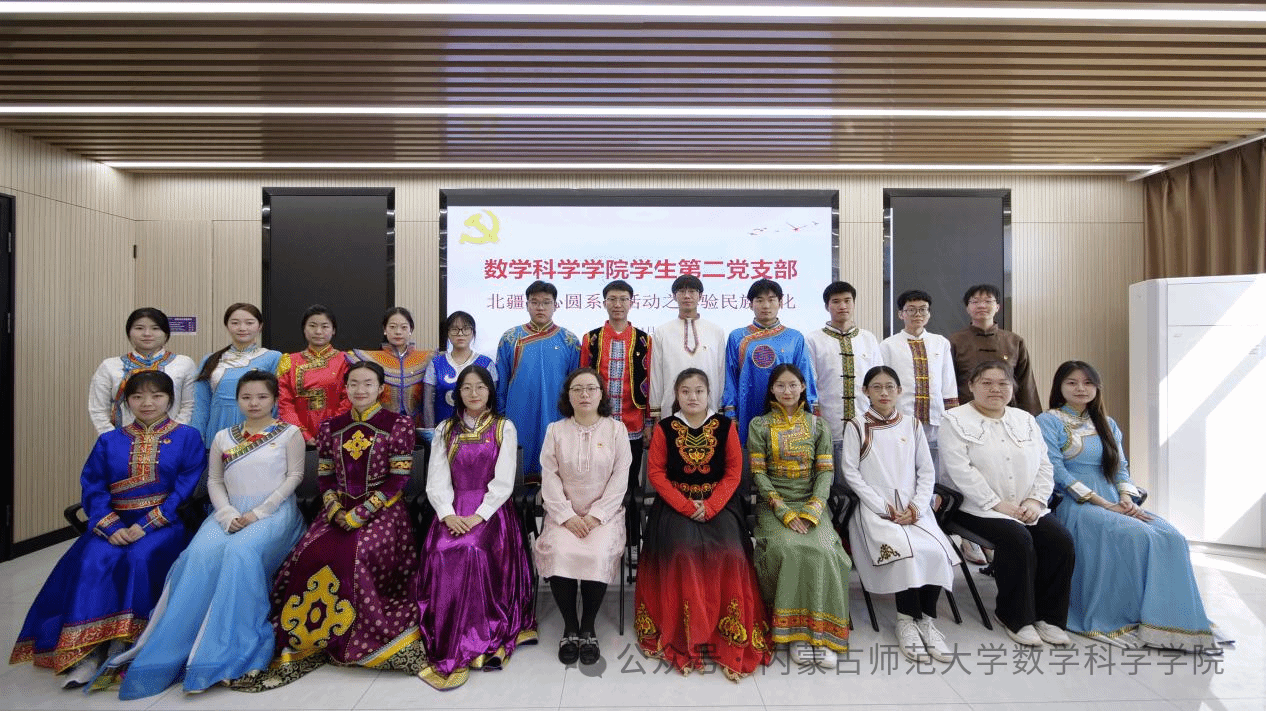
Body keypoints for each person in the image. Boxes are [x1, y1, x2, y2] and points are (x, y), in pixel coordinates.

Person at [102, 371, 306, 698]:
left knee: (240, 554)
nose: (254, 403)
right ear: (236, 400)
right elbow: (215, 481)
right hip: (227, 512)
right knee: (195, 556)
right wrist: (226, 513)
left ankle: (228, 649)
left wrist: (259, 512)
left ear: (274, 400)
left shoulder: (289, 433)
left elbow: (294, 476)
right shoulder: (224, 436)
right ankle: (174, 648)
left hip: (275, 511)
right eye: (246, 397)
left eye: (262, 397)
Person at [11, 371, 204, 687]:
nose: (147, 403)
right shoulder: (109, 440)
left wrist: (146, 525)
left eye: (156, 396)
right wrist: (110, 525)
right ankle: (87, 652)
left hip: (162, 523)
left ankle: (124, 643)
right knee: (93, 561)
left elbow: (184, 489)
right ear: (127, 401)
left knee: (140, 558)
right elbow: (93, 487)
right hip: (113, 523)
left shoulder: (188, 437)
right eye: (138, 397)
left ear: (170, 399)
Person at [243, 361, 423, 688]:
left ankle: (355, 632)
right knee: (308, 554)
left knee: (356, 555)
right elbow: (325, 476)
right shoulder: (331, 426)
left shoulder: (398, 424)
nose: (360, 390)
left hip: (384, 510)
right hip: (337, 508)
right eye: (354, 384)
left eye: (368, 384)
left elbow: (398, 480)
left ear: (381, 388)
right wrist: (334, 507)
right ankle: (308, 636)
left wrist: (362, 513)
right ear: (345, 387)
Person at [1037, 361, 1215, 652]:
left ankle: (1164, 621)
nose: (1081, 388)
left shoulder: (1108, 423)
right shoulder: (1048, 421)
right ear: (1059, 387)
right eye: (1072, 382)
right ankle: (1118, 615)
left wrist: (1127, 500)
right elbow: (1056, 471)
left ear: (1097, 388)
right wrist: (1104, 504)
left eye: (1088, 383)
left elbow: (1120, 468)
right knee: (1136, 535)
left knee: (1172, 537)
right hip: (1074, 502)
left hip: (1114, 499)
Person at [634, 368, 772, 680]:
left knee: (731, 554)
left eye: (699, 391)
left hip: (719, 503)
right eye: (685, 391)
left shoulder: (725, 426)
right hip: (674, 504)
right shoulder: (665, 428)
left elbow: (733, 472)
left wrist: (710, 506)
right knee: (681, 553)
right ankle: (688, 634)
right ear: (676, 395)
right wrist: (685, 505)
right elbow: (656, 473)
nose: (692, 397)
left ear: (709, 394)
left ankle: (727, 633)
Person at [415, 365, 537, 690]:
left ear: (489, 391)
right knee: (441, 550)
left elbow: (504, 481)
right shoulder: (445, 429)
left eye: (480, 387)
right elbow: (436, 478)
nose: (473, 393)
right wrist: (446, 513)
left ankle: (476, 632)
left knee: (470, 549)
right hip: (453, 506)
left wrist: (479, 515)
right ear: (457, 393)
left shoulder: (503, 427)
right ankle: (446, 632)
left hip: (491, 509)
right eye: (467, 387)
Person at [940, 361, 1074, 648]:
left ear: (1013, 387)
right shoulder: (953, 420)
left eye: (1003, 383)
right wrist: (996, 504)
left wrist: (1035, 500)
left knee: (1059, 540)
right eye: (986, 383)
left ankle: (1050, 617)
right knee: (1017, 539)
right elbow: (960, 471)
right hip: (974, 508)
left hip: (1026, 505)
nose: (995, 389)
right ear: (971, 386)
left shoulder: (1025, 419)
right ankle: (1015, 616)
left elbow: (1044, 465)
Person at [839, 366, 956, 663]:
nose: (884, 393)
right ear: (865, 391)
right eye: (876, 387)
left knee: (936, 551)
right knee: (906, 553)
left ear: (900, 391)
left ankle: (926, 621)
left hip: (914, 509)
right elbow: (851, 473)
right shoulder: (857, 426)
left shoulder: (911, 424)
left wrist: (917, 507)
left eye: (890, 387)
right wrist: (883, 507)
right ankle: (906, 621)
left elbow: (926, 471)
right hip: (876, 510)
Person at [747, 364, 850, 668]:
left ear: (803, 387)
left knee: (825, 550)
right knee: (788, 549)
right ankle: (794, 635)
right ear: (772, 390)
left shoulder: (818, 426)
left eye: (793, 385)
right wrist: (784, 512)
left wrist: (813, 510)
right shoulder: (759, 425)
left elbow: (826, 472)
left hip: (812, 504)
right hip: (773, 506)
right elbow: (758, 474)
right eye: (780, 386)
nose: (787, 391)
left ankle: (822, 633)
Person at [534, 368, 630, 666]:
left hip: (604, 516)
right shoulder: (555, 430)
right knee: (559, 551)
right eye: (577, 389)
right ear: (569, 396)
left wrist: (596, 516)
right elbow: (549, 477)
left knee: (597, 553)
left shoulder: (617, 431)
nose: (584, 394)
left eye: (591, 388)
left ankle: (588, 627)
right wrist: (566, 516)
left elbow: (620, 478)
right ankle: (570, 627)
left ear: (601, 394)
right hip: (563, 515)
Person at [580, 279, 653, 536]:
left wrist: (649, 423)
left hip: (633, 424)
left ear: (631, 303)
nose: (618, 304)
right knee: (595, 481)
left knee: (630, 482)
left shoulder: (644, 340)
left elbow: (651, 383)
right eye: (612, 299)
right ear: (604, 303)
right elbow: (582, 381)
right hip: (597, 424)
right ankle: (599, 535)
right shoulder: (591, 339)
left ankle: (630, 537)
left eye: (623, 299)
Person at [496, 280, 580, 482]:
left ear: (555, 305)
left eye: (546, 302)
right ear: (526, 305)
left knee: (556, 471)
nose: (540, 307)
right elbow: (501, 383)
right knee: (517, 471)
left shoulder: (569, 341)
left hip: (557, 415)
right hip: (518, 415)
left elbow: (576, 386)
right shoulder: (510, 338)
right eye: (534, 302)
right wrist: (499, 417)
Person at [722, 279, 818, 446]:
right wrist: (730, 413)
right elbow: (730, 378)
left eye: (771, 300)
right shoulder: (737, 337)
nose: (766, 306)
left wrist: (809, 409)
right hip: (748, 409)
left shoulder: (795, 338)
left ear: (780, 303)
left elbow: (805, 377)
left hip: (788, 409)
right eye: (759, 300)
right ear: (750, 304)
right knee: (751, 454)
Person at [806, 281, 884, 481]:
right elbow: (810, 383)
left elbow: (879, 381)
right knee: (830, 483)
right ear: (827, 306)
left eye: (847, 301)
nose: (842, 306)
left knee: (866, 482)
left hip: (865, 425)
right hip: (828, 424)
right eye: (836, 301)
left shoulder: (868, 339)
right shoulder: (813, 340)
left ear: (854, 304)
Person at [879, 290, 958, 477]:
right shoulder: (888, 345)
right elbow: (883, 383)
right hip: (901, 417)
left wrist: (952, 416)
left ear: (929, 314)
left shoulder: (940, 343)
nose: (918, 315)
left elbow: (948, 381)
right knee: (903, 470)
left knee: (934, 470)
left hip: (935, 418)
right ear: (901, 314)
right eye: (911, 310)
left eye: (923, 310)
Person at [88, 307, 197, 433]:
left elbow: (189, 406)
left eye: (155, 328)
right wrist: (113, 438)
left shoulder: (184, 363)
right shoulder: (109, 366)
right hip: (122, 439)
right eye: (139, 328)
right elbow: (98, 409)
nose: (147, 333)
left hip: (173, 438)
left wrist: (176, 434)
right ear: (129, 333)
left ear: (166, 333)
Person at [190, 303, 282, 448]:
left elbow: (278, 401)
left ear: (260, 326)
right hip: (218, 425)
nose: (242, 328)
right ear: (227, 326)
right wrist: (196, 438)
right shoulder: (210, 360)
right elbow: (201, 405)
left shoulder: (274, 357)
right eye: (235, 323)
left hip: (258, 428)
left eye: (249, 323)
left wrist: (271, 432)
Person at [949, 284, 1042, 416]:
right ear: (967, 308)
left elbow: (1026, 383)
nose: (982, 306)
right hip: (966, 413)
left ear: (997, 307)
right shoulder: (954, 341)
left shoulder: (1014, 341)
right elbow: (948, 383)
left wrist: (1033, 418)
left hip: (1007, 413)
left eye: (988, 301)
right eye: (975, 302)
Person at [649, 275, 727, 420]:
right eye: (681, 291)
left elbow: (721, 372)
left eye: (692, 291)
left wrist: (720, 407)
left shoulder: (716, 331)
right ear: (674, 296)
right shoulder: (662, 331)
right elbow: (656, 374)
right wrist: (656, 411)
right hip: (671, 408)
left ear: (700, 296)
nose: (686, 296)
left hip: (709, 408)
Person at [276, 304, 350, 444]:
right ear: (304, 329)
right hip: (296, 436)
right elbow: (284, 403)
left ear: (333, 330)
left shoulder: (346, 360)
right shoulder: (289, 361)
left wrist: (331, 430)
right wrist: (303, 434)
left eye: (325, 326)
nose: (318, 331)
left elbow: (348, 400)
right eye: (312, 326)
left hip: (338, 434)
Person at [349, 307, 433, 425]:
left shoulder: (428, 358)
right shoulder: (366, 358)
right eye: (392, 327)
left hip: (417, 425)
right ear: (385, 329)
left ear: (411, 330)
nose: (398, 332)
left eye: (404, 327)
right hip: (380, 424)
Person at [422, 310, 496, 429]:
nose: (460, 334)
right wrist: (431, 431)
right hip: (443, 429)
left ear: (473, 332)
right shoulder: (436, 363)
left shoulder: (486, 363)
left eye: (466, 329)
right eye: (454, 329)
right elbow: (428, 402)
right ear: (447, 333)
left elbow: (493, 400)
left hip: (479, 431)